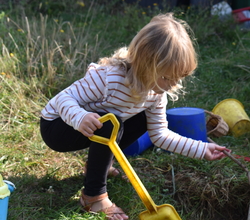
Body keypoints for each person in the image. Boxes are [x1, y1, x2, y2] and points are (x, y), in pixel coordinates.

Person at [40, 13, 231, 220]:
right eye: (167, 77)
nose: (172, 85)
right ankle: (93, 197)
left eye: (179, 78)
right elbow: (62, 99)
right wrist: (80, 117)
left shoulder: (156, 94)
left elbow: (160, 135)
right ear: (145, 65)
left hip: (97, 127)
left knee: (137, 120)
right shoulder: (107, 78)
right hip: (57, 126)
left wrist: (202, 149)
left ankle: (98, 166)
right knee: (111, 121)